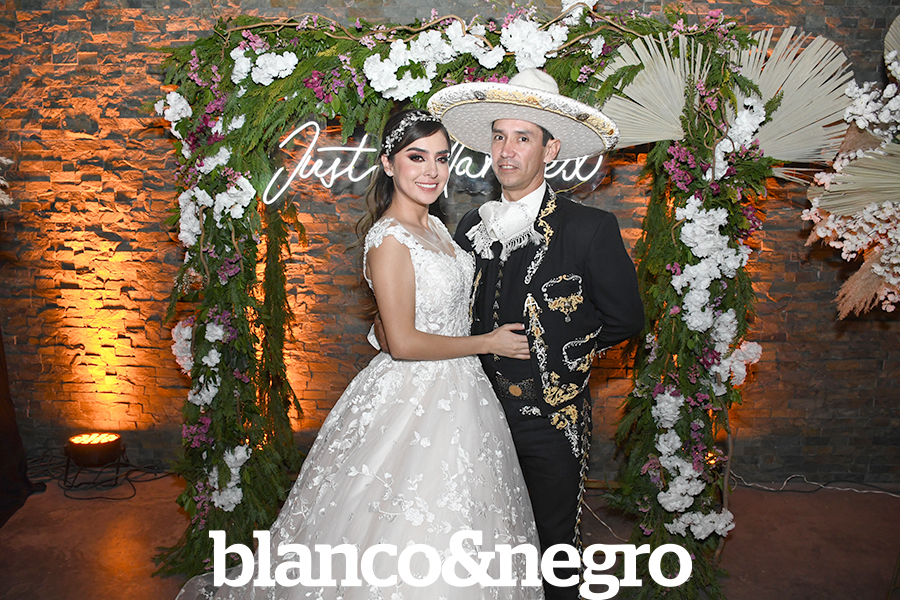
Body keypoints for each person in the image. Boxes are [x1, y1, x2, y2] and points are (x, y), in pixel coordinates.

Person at [175, 109, 544, 600]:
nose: (432, 171)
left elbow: (403, 321)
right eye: (417, 157)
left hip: (463, 394)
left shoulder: (438, 228)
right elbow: (405, 343)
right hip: (413, 394)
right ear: (389, 164)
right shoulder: (389, 239)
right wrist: (487, 342)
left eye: (441, 158)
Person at [427, 69, 645, 600]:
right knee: (481, 537)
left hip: (549, 418)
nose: (506, 151)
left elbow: (626, 320)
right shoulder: (471, 224)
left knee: (554, 547)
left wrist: (558, 355)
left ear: (550, 150)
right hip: (475, 409)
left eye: (523, 138)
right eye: (499, 136)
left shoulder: (588, 228)